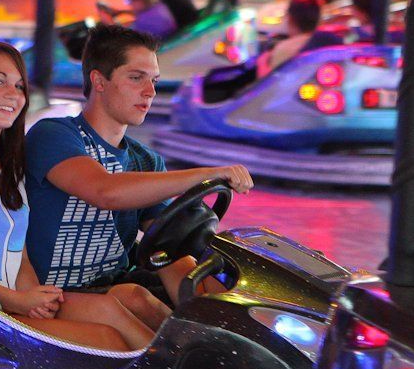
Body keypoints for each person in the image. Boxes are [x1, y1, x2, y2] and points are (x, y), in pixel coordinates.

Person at [0, 41, 169, 351]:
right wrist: (14, 300)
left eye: (19, 86)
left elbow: (20, 255)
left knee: (114, 306)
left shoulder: (9, 167)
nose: (12, 94)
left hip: (7, 304)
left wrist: (35, 298)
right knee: (108, 340)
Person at [24, 24, 253, 307]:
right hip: (50, 298)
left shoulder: (146, 161)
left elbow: (167, 248)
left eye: (154, 81)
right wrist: (209, 174)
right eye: (136, 78)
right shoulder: (54, 134)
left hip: (114, 289)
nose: (150, 92)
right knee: (135, 298)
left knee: (180, 287)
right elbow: (104, 191)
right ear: (99, 81)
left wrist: (209, 305)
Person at [257, 0, 343, 78]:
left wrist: (263, 61)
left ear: (290, 18)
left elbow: (269, 83)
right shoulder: (334, 43)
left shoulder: (282, 50)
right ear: (318, 19)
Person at [99, 0, 177, 40]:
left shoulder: (145, 22)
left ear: (139, 0)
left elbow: (123, 42)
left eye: (129, 0)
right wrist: (121, 12)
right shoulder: (158, 6)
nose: (129, 4)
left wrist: (110, 23)